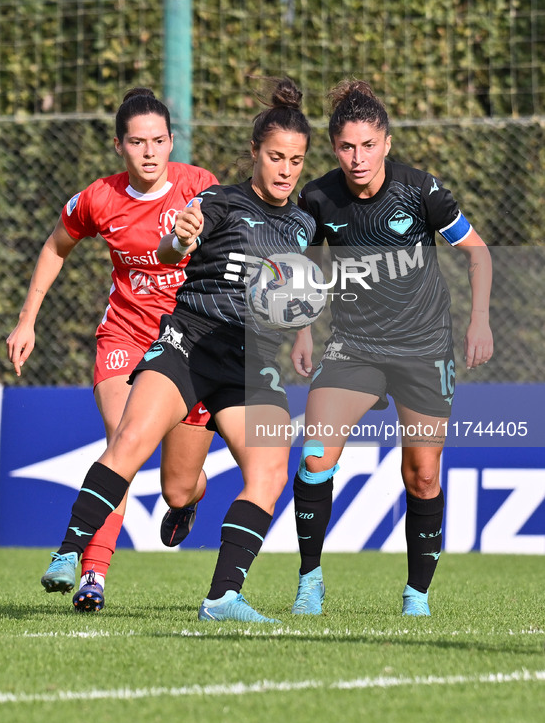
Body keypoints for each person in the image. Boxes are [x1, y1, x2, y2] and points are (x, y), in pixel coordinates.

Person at [39, 76, 317, 623]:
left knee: (268, 473)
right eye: (276, 157)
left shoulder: (305, 224)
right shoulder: (217, 200)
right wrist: (180, 237)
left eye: (297, 161)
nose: (285, 170)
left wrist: (304, 319)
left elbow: (295, 295)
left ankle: (222, 598)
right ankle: (71, 549)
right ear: (255, 155)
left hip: (248, 364)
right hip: (187, 346)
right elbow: (170, 251)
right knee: (131, 440)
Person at [7, 88, 218, 611]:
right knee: (122, 444)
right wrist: (26, 320)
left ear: (172, 142)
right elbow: (56, 246)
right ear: (119, 146)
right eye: (137, 142)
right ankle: (92, 574)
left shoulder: (200, 187)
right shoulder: (99, 198)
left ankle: (190, 501)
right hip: (124, 337)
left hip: (188, 344)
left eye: (159, 140)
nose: (149, 151)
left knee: (177, 487)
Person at [290, 79, 493, 617]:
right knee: (315, 456)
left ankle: (417, 596)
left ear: (386, 142)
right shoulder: (318, 197)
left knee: (422, 474)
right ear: (335, 147)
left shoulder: (421, 191)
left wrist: (479, 323)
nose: (358, 158)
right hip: (353, 346)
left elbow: (478, 252)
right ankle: (310, 581)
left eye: (368, 145)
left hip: (424, 348)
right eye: (346, 147)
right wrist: (304, 330)